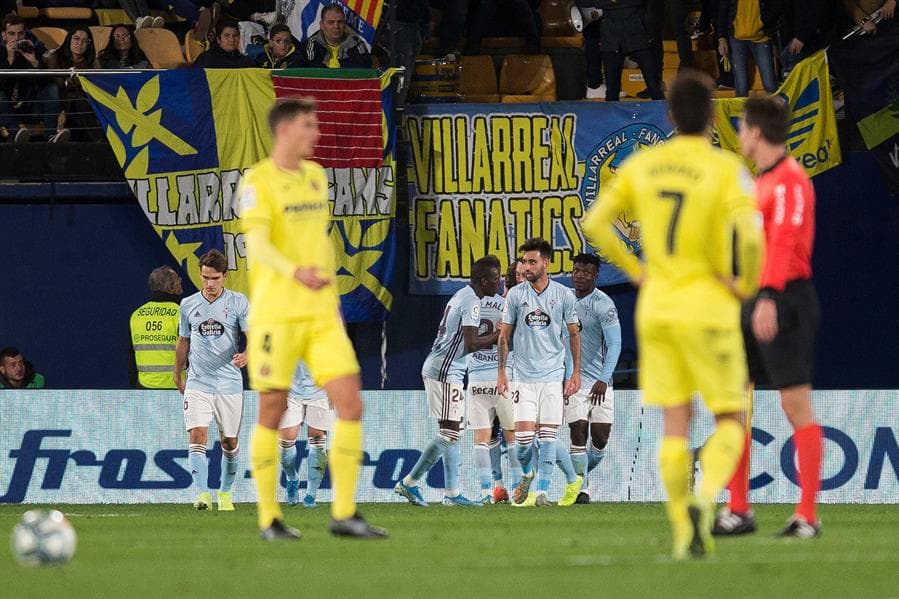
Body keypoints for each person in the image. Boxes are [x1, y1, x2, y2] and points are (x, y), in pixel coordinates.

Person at [582, 69, 763, 559]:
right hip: (710, 307)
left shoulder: (644, 165)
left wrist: (634, 269)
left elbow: (594, 221)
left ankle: (684, 528)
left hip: (658, 307)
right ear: (711, 115)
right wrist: (743, 284)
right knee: (731, 417)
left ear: (668, 116)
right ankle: (707, 499)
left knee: (674, 425)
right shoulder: (727, 169)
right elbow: (751, 235)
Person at [238, 97, 386, 540]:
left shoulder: (317, 178)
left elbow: (320, 242)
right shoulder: (257, 181)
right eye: (309, 126)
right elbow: (257, 244)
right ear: (285, 131)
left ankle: (343, 513)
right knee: (272, 409)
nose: (317, 134)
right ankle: (270, 518)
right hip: (276, 315)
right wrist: (293, 272)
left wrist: (335, 300)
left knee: (351, 403)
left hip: (321, 315)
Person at [714, 96, 823, 539]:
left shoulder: (792, 181)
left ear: (756, 132)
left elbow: (785, 242)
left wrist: (768, 297)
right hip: (755, 297)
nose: (739, 135)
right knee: (732, 403)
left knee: (793, 403)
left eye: (741, 128)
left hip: (786, 300)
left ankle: (807, 516)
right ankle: (738, 509)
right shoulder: (760, 184)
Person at [394, 255, 502, 508]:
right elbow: (472, 343)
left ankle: (452, 493)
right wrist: (500, 334)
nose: (498, 284)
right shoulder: (473, 301)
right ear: (484, 280)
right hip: (445, 370)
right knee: (450, 432)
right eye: (496, 279)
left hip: (447, 368)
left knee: (453, 431)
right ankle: (409, 483)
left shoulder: (461, 295)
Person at [497, 238, 583, 508]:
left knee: (548, 437)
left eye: (532, 261)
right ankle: (527, 474)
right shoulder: (516, 295)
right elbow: (504, 337)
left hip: (552, 375)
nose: (526, 266)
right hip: (522, 376)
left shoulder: (564, 295)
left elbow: (573, 334)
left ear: (547, 263)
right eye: (524, 261)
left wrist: (575, 372)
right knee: (522, 443)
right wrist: (502, 371)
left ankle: (542, 492)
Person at [174, 249, 248, 512]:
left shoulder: (239, 302)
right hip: (198, 381)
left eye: (215, 278)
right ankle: (203, 494)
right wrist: (177, 373)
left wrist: (247, 354)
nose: (209, 284)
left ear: (225, 276)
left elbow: (252, 335)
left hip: (229, 383)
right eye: (205, 277)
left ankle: (225, 493)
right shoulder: (188, 304)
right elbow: (184, 339)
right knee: (197, 434)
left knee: (229, 441)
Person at [563, 253, 622, 504]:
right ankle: (582, 490)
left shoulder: (604, 304)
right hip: (573, 380)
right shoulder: (562, 300)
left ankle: (578, 476)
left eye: (586, 272)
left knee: (599, 441)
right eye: (576, 271)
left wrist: (603, 378)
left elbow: (616, 344)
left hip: (600, 382)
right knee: (578, 432)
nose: (579, 276)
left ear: (596, 276)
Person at [467, 271, 519, 504]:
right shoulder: (506, 306)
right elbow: (515, 341)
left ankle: (489, 490)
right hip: (504, 378)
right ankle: (518, 487)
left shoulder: (467, 303)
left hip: (477, 378)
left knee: (482, 437)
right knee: (513, 435)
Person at [0, 14, 68, 143]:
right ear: (4, 35)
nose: (16, 38)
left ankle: (50, 136)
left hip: (29, 105)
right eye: (12, 34)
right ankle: (16, 134)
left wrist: (34, 62)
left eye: (20, 34)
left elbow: (47, 82)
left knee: (52, 88)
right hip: (6, 107)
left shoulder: (33, 49)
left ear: (25, 34)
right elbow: (1, 86)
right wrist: (9, 59)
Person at [278, 360, 335, 508]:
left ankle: (310, 495)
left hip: (320, 391)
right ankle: (291, 478)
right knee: (286, 441)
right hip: (289, 389)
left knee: (318, 440)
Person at [596, 0, 664, 102]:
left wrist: (613, 3)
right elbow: (596, 3)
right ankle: (611, 116)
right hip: (611, 34)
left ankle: (663, 115)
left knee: (654, 87)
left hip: (637, 30)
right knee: (611, 91)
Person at [129, 265, 183, 390]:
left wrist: (136, 388)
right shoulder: (181, 314)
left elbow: (131, 356)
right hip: (177, 387)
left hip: (144, 387)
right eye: (178, 281)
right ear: (171, 287)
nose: (181, 284)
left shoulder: (136, 315)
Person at [45, 28, 102, 142]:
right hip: (59, 100)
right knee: (75, 99)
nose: (79, 44)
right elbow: (55, 84)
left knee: (80, 102)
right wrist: (70, 82)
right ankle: (99, 140)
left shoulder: (93, 62)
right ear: (69, 40)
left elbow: (97, 86)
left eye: (84, 41)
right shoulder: (54, 57)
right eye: (76, 39)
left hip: (83, 102)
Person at [716, 0, 781, 97]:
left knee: (770, 84)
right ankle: (741, 111)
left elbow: (776, 7)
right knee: (741, 86)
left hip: (762, 38)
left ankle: (775, 111)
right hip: (736, 38)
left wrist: (765, 25)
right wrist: (721, 38)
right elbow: (723, 11)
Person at [300, 4, 372, 69]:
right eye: (331, 22)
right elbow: (308, 70)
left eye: (340, 22)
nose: (336, 26)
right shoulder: (311, 44)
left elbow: (364, 68)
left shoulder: (356, 44)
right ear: (322, 25)